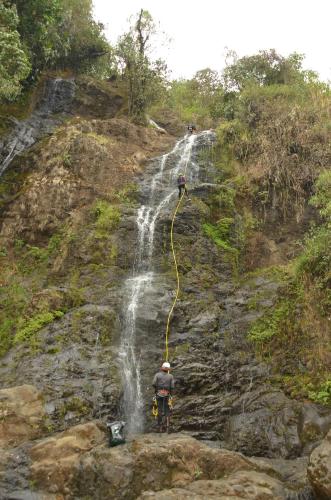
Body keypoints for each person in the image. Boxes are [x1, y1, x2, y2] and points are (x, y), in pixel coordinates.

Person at [152, 361, 175, 433]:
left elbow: (153, 383)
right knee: (167, 410)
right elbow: (172, 386)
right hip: (167, 394)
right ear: (168, 369)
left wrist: (156, 390)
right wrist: (170, 394)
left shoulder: (157, 375)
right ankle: (167, 426)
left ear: (162, 368)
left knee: (159, 410)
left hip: (159, 394)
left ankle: (160, 426)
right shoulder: (171, 376)